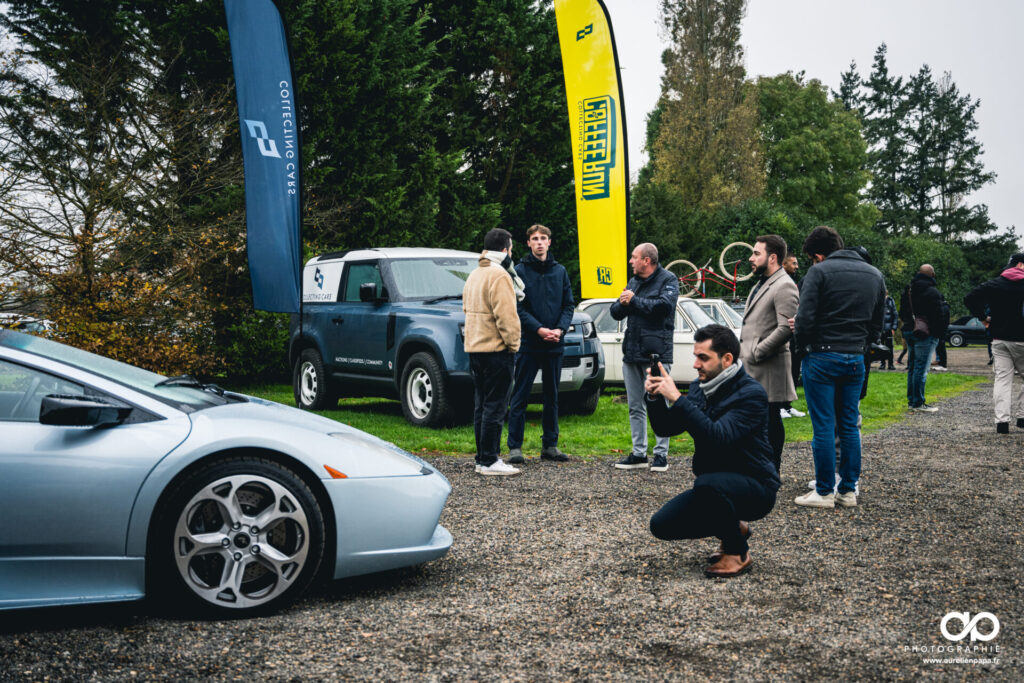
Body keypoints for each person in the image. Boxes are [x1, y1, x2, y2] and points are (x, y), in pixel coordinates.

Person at [645, 324, 780, 578]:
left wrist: (678, 399)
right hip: (714, 486)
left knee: (708, 484)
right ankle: (733, 526)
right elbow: (666, 427)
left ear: (727, 359)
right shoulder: (700, 387)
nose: (696, 364)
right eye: (696, 356)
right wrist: (655, 398)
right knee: (661, 525)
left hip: (756, 487)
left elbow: (719, 437)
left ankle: (737, 552)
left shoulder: (751, 394)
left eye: (703, 357)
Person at [792, 226, 884, 509]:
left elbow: (805, 319)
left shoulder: (818, 273)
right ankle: (847, 490)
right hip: (856, 356)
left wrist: (802, 347)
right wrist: (861, 344)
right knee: (848, 425)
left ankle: (823, 490)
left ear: (819, 255)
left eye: (811, 258)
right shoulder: (875, 274)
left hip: (821, 356)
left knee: (823, 425)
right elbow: (877, 323)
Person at [506, 224, 574, 463]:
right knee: (520, 396)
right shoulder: (519, 271)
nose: (539, 242)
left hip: (554, 344)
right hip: (529, 344)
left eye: (543, 238)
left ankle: (550, 446)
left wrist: (560, 329)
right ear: (528, 243)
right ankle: (515, 447)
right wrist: (539, 329)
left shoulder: (560, 271)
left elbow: (568, 304)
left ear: (549, 242)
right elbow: (518, 307)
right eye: (534, 239)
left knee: (552, 397)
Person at [611, 243, 679, 472]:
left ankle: (661, 455)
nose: (631, 261)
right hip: (631, 352)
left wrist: (634, 301)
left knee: (660, 403)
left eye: (634, 257)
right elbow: (616, 310)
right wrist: (622, 303)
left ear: (647, 260)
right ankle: (639, 454)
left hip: (656, 353)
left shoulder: (668, 280)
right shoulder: (634, 282)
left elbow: (663, 308)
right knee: (634, 406)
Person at [462, 228, 523, 476]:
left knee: (481, 405)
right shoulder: (499, 276)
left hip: (475, 348)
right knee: (496, 406)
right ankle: (490, 459)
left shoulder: (475, 274)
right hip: (497, 349)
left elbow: (466, 307)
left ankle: (481, 457)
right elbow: (506, 315)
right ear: (505, 249)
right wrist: (514, 344)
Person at [739, 234, 799, 472]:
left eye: (756, 253)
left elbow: (786, 328)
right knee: (756, 420)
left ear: (772, 257)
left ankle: (772, 471)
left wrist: (757, 352)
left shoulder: (784, 285)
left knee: (771, 420)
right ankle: (757, 467)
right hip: (752, 365)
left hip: (769, 365)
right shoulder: (760, 283)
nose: (751, 258)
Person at [964, 253, 1024, 433]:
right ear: (1021, 265)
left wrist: (983, 318)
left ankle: (1002, 422)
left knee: (1002, 380)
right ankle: (1022, 418)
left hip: (999, 339)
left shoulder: (994, 284)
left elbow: (969, 298)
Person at [899, 264, 948, 413]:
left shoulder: (908, 290)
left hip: (909, 330)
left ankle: (912, 401)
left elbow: (901, 311)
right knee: (921, 368)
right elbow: (939, 315)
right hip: (925, 333)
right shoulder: (932, 292)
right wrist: (938, 333)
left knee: (913, 367)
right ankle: (918, 402)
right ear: (932, 275)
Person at [781, 251, 805, 417]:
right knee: (784, 369)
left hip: (794, 333)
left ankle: (788, 404)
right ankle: (779, 406)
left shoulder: (792, 281)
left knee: (794, 368)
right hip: (783, 332)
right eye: (793, 263)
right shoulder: (780, 282)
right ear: (784, 264)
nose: (796, 266)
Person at [880, 290, 898, 370]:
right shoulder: (878, 301)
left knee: (890, 347)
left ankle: (890, 364)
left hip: (889, 329)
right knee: (880, 347)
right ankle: (882, 364)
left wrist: (893, 328)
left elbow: (895, 315)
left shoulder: (891, 301)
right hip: (880, 329)